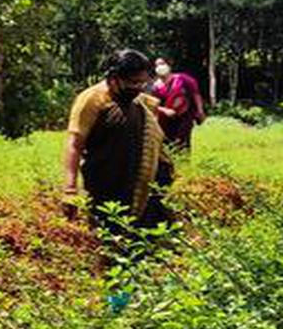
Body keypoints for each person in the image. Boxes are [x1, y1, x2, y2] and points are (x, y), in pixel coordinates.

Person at [63, 49, 171, 229]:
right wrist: (70, 189)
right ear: (114, 78)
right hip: (106, 183)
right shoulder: (91, 99)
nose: (138, 88)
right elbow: (75, 144)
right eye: (133, 83)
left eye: (142, 83)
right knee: (110, 234)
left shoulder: (141, 103)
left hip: (140, 183)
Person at [151, 57, 206, 151]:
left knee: (183, 142)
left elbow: (195, 94)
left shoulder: (183, 79)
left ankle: (184, 163)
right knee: (167, 145)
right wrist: (165, 110)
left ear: (169, 65)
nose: (160, 67)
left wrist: (200, 111)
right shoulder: (155, 86)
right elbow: (153, 104)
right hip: (165, 120)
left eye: (162, 64)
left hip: (184, 116)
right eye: (157, 65)